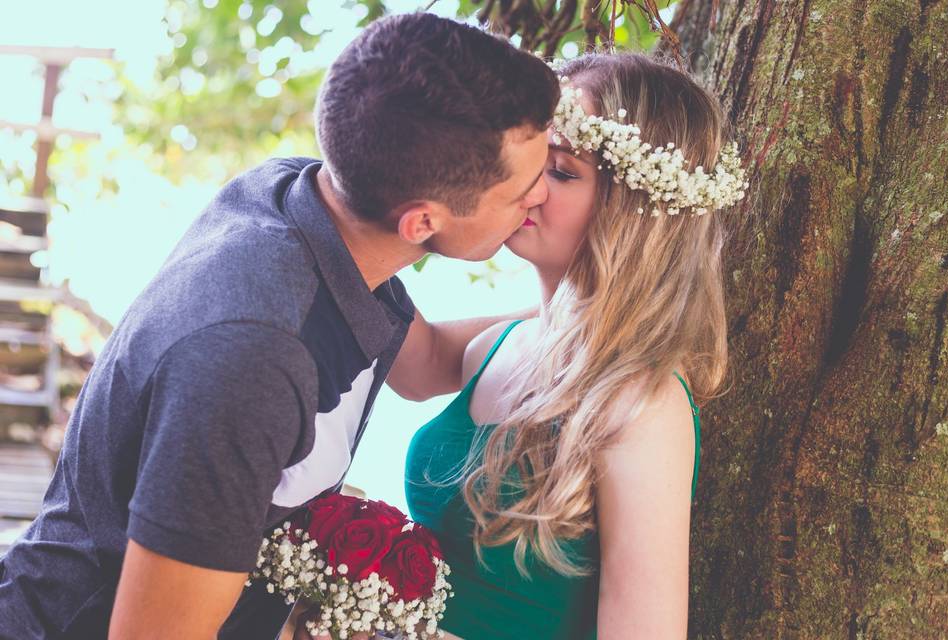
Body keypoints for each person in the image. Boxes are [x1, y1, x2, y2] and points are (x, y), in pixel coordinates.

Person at [0, 13, 559, 640]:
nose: (541, 197)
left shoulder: (315, 202)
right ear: (422, 222)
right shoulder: (253, 362)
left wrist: (597, 312)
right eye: (523, 190)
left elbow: (425, 364)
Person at [405, 51, 747, 639]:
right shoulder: (507, 338)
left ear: (634, 208)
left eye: (561, 171)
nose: (527, 189)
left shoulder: (642, 402)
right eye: (529, 161)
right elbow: (410, 364)